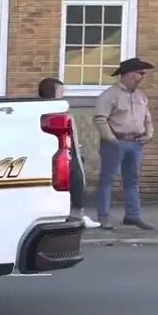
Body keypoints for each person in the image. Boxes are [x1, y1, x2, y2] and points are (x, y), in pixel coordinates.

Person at [93, 57, 155, 230]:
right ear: (128, 74)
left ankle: (133, 215)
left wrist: (149, 134)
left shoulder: (141, 96)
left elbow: (147, 118)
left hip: (136, 142)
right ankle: (103, 216)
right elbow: (100, 119)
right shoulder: (110, 95)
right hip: (115, 142)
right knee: (107, 179)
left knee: (132, 180)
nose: (142, 77)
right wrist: (111, 139)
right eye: (139, 73)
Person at [37, 77, 99, 229]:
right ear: (54, 93)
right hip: (62, 154)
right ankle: (77, 215)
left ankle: (72, 214)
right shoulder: (53, 112)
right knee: (75, 182)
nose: (63, 95)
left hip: (64, 152)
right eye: (61, 91)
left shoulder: (45, 111)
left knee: (71, 183)